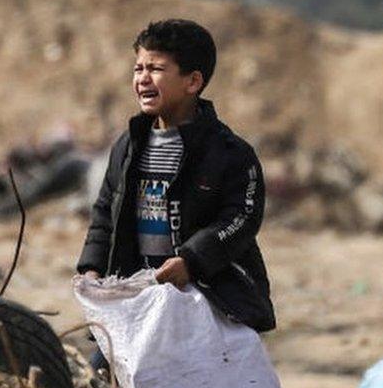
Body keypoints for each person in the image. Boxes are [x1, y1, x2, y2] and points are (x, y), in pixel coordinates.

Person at [77, 19, 275, 368]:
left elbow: (241, 219)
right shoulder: (127, 147)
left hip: (206, 297)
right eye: (138, 68)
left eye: (156, 68)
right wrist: (92, 269)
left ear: (193, 81)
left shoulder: (230, 153)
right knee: (100, 382)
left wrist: (193, 262)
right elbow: (106, 212)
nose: (142, 78)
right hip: (139, 296)